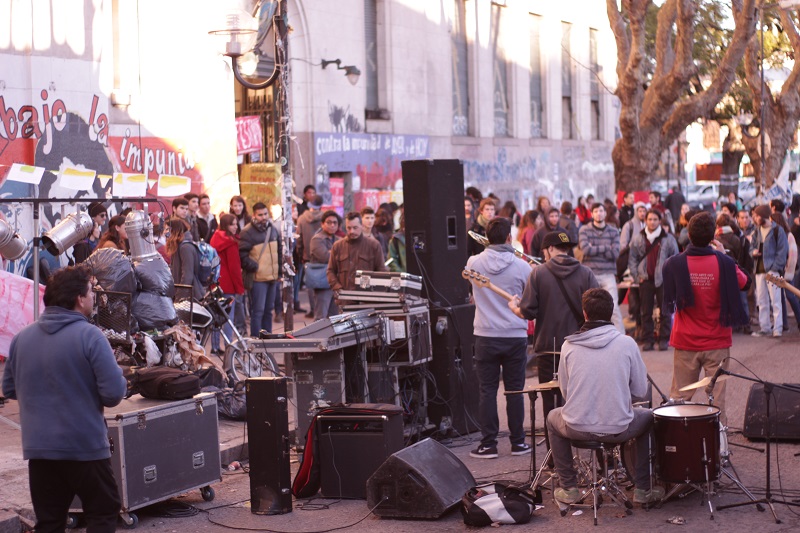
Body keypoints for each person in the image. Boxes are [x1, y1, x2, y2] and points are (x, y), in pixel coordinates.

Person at [3, 265, 127, 532]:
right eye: (91, 291)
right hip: (85, 448)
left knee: (49, 522)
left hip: (40, 450)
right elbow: (114, 393)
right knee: (103, 512)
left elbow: (10, 388)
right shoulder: (90, 335)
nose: (94, 297)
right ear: (79, 299)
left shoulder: (21, 338)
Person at [546, 288, 663, 506]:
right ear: (611, 313)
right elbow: (639, 391)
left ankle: (569, 488)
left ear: (585, 313)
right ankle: (643, 489)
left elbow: (565, 392)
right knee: (648, 417)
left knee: (553, 418)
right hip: (618, 429)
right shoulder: (627, 343)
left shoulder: (568, 345)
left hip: (576, 426)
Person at [509, 231, 599, 455]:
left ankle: (556, 458)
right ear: (567, 248)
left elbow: (528, 312)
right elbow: (598, 310)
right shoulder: (586, 273)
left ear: (549, 249)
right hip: (580, 347)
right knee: (581, 400)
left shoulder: (538, 273)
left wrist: (514, 308)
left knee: (551, 406)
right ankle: (585, 452)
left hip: (549, 349)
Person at [662, 212, 750, 416]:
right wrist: (726, 256)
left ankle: (678, 444)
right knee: (717, 401)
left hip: (685, 341)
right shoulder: (725, 263)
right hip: (717, 342)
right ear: (713, 237)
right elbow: (746, 282)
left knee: (679, 399)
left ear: (689, 236)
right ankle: (718, 444)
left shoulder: (673, 264)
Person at [466, 218, 532, 459]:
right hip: (515, 335)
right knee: (515, 391)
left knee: (487, 391)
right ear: (508, 238)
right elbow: (529, 299)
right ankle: (518, 443)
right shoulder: (523, 267)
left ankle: (488, 444)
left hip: (485, 334)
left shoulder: (473, 262)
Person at [628, 209, 680, 351]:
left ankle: (664, 339)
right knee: (645, 312)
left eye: (655, 219)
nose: (652, 222)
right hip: (645, 280)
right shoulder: (638, 238)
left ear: (659, 221)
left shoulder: (668, 238)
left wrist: (671, 277)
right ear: (646, 220)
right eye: (649, 219)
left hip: (663, 280)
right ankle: (648, 340)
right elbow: (632, 259)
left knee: (665, 311)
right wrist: (637, 276)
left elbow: (675, 258)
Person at [578, 202, 625, 332]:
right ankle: (589, 335)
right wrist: (606, 248)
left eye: (601, 211)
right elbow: (586, 250)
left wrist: (595, 248)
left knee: (613, 307)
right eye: (596, 211)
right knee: (589, 308)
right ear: (592, 213)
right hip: (590, 273)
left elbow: (615, 253)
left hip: (608, 273)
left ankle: (620, 337)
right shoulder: (584, 230)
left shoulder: (613, 231)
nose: (599, 213)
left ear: (605, 213)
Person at [239, 202, 282, 336]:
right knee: (258, 311)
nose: (263, 217)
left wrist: (279, 272)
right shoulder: (247, 232)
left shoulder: (273, 229)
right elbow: (242, 255)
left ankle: (267, 339)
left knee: (269, 310)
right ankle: (256, 340)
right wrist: (256, 267)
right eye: (260, 215)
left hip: (272, 277)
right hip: (258, 279)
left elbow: (279, 252)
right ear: (254, 215)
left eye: (265, 214)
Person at [327, 212, 386, 301]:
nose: (352, 231)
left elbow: (381, 271)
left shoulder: (374, 245)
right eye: (349, 228)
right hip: (345, 300)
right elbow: (330, 270)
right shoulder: (337, 246)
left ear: (361, 226)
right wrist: (338, 288)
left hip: (367, 300)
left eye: (355, 228)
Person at [750, 204, 789, 337]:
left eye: (757, 215)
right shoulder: (757, 231)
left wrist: (775, 268)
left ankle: (777, 328)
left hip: (772, 270)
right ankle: (765, 327)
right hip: (759, 270)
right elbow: (751, 246)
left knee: (775, 300)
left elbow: (782, 251)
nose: (755, 218)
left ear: (764, 216)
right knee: (761, 300)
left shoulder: (778, 230)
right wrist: (753, 252)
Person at [210, 214, 245, 353]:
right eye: (232, 224)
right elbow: (235, 268)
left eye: (236, 224)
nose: (235, 227)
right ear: (226, 226)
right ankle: (229, 346)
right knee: (228, 318)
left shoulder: (215, 238)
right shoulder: (231, 242)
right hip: (229, 283)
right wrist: (240, 288)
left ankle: (215, 346)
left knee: (216, 317)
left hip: (216, 282)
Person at [296, 195, 325, 318]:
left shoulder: (302, 219)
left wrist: (300, 253)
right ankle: (322, 309)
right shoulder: (326, 217)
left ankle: (313, 309)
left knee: (310, 284)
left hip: (307, 256)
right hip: (323, 255)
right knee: (324, 283)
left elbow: (299, 239)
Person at [310, 210, 341, 319]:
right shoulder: (317, 239)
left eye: (335, 223)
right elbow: (325, 257)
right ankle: (317, 337)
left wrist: (332, 252)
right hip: (322, 282)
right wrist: (336, 254)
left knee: (334, 317)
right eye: (329, 222)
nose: (332, 225)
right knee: (320, 317)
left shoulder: (337, 239)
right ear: (322, 224)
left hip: (336, 282)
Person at [167, 218, 204, 301]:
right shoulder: (178, 246)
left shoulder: (185, 247)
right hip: (184, 295)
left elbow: (187, 276)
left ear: (175, 230)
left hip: (190, 297)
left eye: (167, 229)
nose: (165, 232)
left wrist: (179, 297)